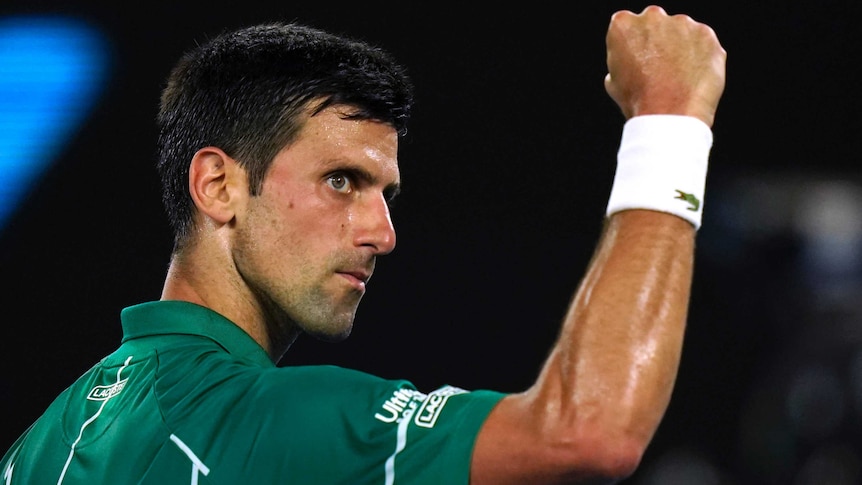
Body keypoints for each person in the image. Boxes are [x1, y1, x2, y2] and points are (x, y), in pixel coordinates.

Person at [1, 5, 726, 484]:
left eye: (387, 194)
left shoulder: (38, 445)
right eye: (341, 180)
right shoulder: (253, 423)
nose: (382, 233)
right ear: (218, 185)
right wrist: (669, 120)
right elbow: (590, 429)